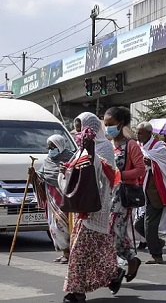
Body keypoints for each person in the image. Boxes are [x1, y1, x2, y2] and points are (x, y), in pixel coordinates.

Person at [60, 112, 124, 303]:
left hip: (98, 207)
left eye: (82, 127)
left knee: (80, 250)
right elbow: (75, 173)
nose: (79, 131)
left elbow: (108, 175)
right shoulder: (80, 149)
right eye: (77, 127)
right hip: (81, 207)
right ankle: (113, 275)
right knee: (93, 252)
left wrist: (92, 158)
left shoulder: (103, 147)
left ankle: (76, 291)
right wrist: (67, 170)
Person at [103, 107, 145, 281]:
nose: (107, 128)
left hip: (122, 195)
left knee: (115, 231)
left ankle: (122, 264)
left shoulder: (131, 145)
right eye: (105, 125)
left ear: (120, 124)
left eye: (110, 124)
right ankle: (128, 260)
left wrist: (120, 175)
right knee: (109, 231)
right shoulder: (107, 145)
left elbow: (140, 169)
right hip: (106, 195)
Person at [135, 122, 166, 264]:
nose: (138, 135)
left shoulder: (159, 147)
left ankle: (156, 255)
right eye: (137, 133)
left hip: (156, 193)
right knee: (138, 226)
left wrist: (151, 163)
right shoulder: (138, 147)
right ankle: (158, 242)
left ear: (148, 133)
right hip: (143, 193)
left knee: (149, 225)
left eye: (140, 133)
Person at [31, 134, 74, 263]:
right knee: (54, 226)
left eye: (53, 146)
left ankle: (71, 253)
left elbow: (75, 176)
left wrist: (65, 172)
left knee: (66, 225)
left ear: (60, 146)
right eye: (49, 147)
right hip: (51, 199)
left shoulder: (71, 157)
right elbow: (42, 176)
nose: (50, 149)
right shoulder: (48, 160)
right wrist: (33, 175)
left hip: (65, 199)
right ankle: (64, 252)